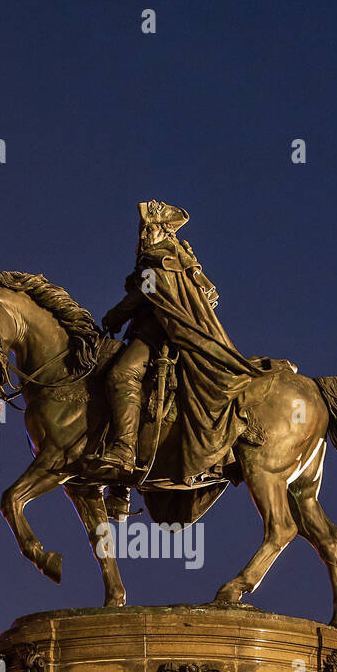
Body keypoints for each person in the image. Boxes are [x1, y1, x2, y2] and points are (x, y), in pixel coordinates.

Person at [98, 200, 262, 481]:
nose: (144, 235)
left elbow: (140, 297)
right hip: (178, 336)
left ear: (163, 230)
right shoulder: (181, 261)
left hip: (156, 335)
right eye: (143, 229)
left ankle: (125, 448)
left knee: (122, 374)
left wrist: (111, 319)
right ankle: (118, 487)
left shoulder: (160, 261)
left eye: (149, 229)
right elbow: (208, 296)